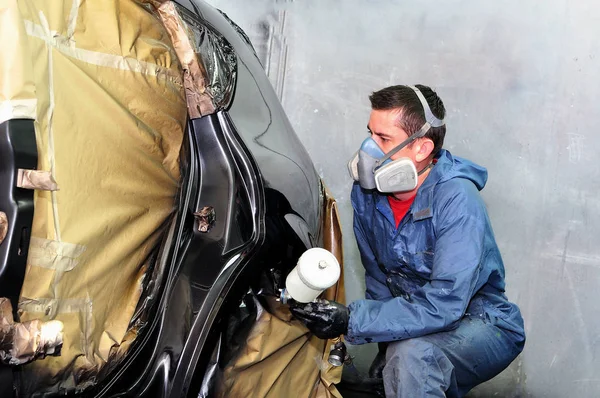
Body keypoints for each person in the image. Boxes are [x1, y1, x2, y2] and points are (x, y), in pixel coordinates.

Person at [290, 84, 526, 397]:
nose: (368, 149)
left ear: (421, 148)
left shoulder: (457, 200)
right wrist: (386, 350)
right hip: (422, 320)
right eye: (370, 134)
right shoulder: (367, 193)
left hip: (482, 321)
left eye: (383, 139)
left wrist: (353, 320)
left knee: (413, 357)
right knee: (402, 363)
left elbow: (446, 302)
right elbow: (380, 279)